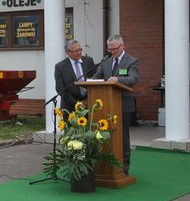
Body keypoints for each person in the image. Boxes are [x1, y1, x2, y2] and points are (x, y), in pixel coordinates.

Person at [92, 34, 139, 174]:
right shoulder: (105, 61)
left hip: (123, 105)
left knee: (122, 137)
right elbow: (97, 77)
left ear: (122, 46)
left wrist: (117, 79)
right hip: (105, 105)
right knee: (105, 136)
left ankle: (124, 167)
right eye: (110, 49)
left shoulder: (131, 61)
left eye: (115, 49)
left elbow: (133, 79)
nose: (112, 52)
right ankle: (105, 166)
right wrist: (90, 82)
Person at [54, 39, 96, 111]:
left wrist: (88, 100)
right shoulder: (60, 67)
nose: (79, 52)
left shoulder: (88, 61)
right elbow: (60, 89)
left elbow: (94, 81)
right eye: (76, 51)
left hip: (89, 105)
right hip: (70, 108)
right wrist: (78, 103)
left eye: (80, 49)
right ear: (67, 52)